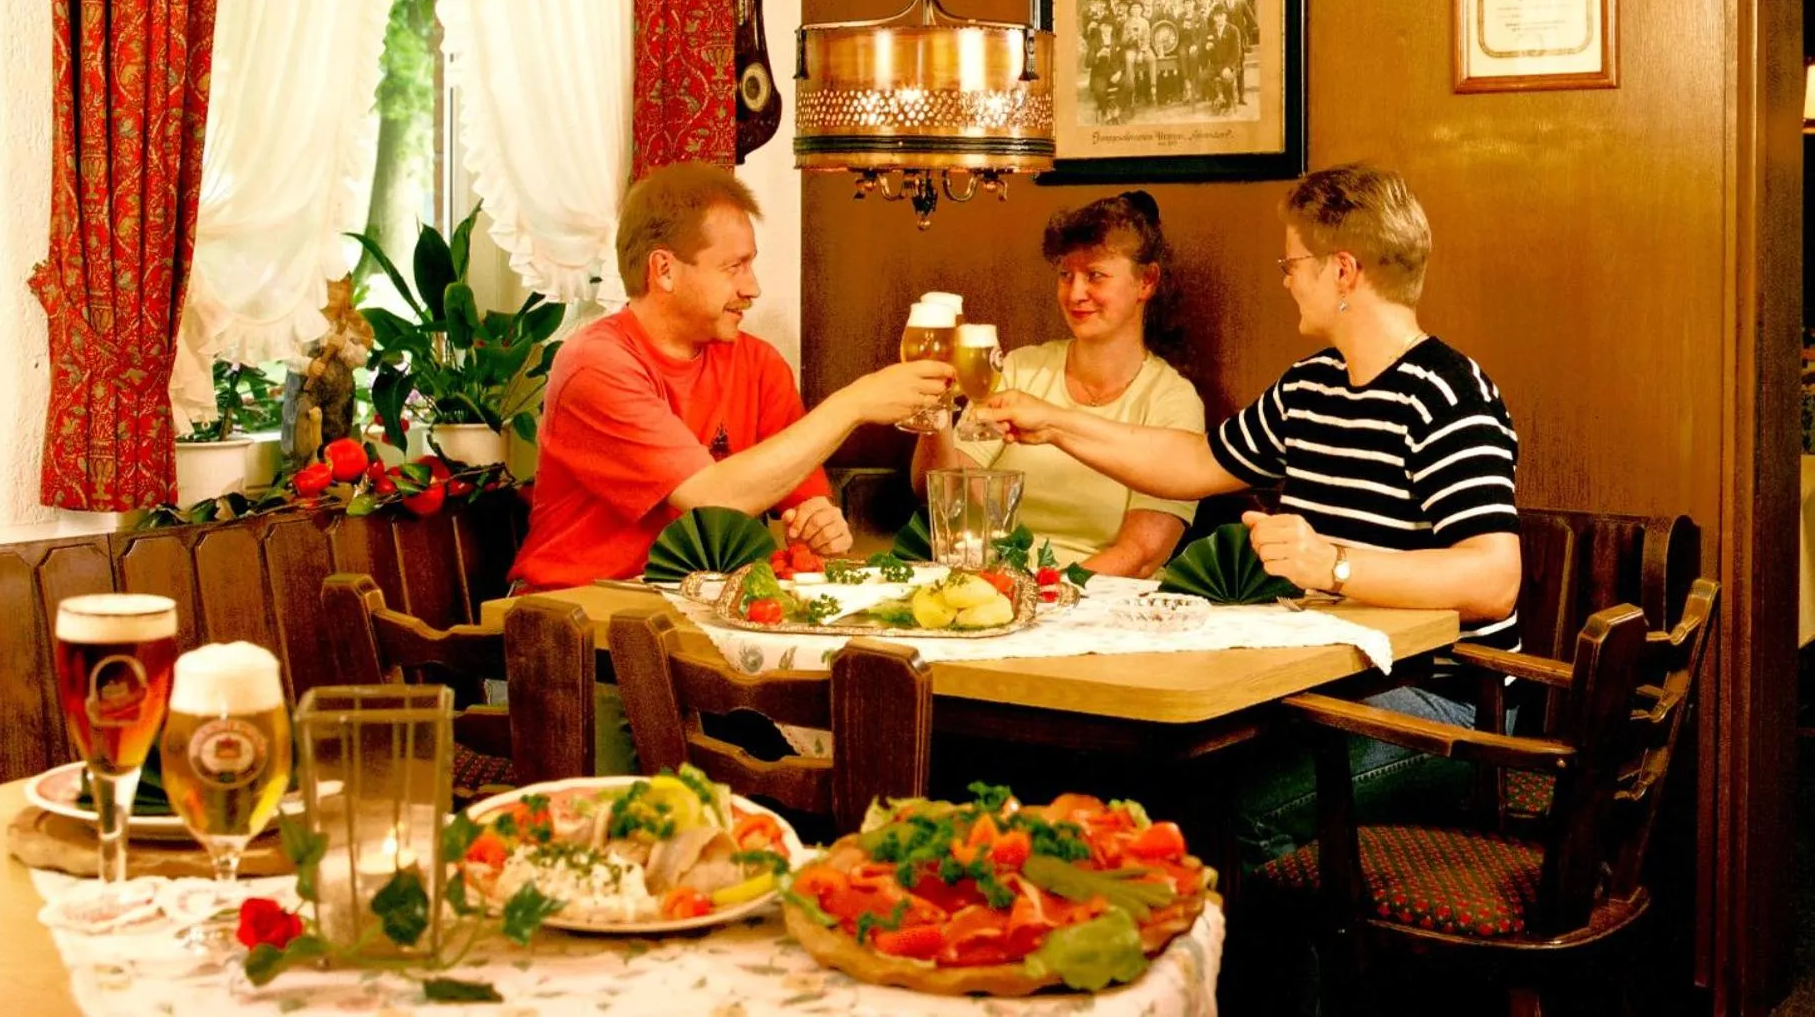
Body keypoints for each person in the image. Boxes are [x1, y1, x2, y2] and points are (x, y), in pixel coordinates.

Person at [981, 163, 1520, 867]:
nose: (1287, 277)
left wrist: (1331, 563)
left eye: (1295, 262)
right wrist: (1056, 423)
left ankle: (1276, 982)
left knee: (1228, 817)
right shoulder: (1312, 387)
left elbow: (1493, 578)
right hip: (1329, 692)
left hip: (1445, 714)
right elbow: (1195, 465)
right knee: (1149, 791)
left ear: (1344, 271)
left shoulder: (1448, 394)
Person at [510, 163, 954, 590]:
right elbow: (711, 500)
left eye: (751, 264)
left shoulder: (758, 364)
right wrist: (853, 404)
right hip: (573, 624)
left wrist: (819, 523)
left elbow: (804, 502)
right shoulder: (596, 364)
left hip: (690, 619)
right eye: (733, 267)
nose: (753, 287)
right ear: (664, 270)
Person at [912, 191, 1205, 576]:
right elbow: (950, 497)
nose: (1076, 293)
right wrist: (937, 406)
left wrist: (1050, 593)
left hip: (1100, 600)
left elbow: (1141, 554)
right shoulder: (1019, 369)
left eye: (1095, 275)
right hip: (995, 586)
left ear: (1146, 282)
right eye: (1066, 275)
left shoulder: (1172, 400)